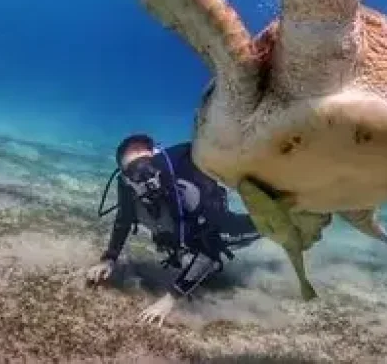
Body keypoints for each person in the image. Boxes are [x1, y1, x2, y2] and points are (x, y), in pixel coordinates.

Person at [86, 133, 263, 326]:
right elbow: (122, 223)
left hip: (216, 229)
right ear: (127, 180)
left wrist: (170, 299)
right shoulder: (130, 196)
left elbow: (210, 252)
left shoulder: (186, 192)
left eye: (149, 166)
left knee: (257, 228)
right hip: (180, 238)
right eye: (137, 172)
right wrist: (109, 260)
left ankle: (293, 223)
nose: (147, 178)